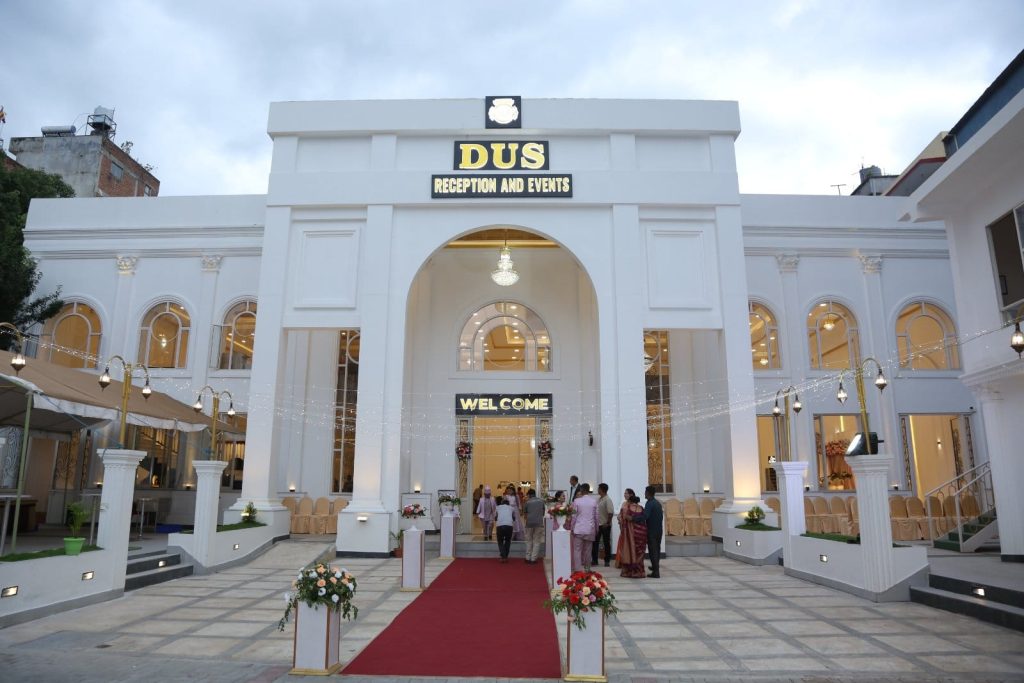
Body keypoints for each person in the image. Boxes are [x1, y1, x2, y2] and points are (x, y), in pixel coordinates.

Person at [615, 490, 646, 578]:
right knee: (639, 552)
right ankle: (639, 572)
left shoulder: (626, 508)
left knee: (629, 552)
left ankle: (629, 572)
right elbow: (644, 519)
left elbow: (621, 519)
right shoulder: (641, 508)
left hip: (630, 534)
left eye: (626, 493)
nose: (625, 495)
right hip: (641, 534)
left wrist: (623, 527)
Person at [636, 485, 664, 578]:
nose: (644, 494)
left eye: (645, 492)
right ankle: (655, 567)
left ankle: (656, 572)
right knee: (657, 550)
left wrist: (633, 518)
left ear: (648, 493)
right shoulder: (657, 503)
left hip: (652, 531)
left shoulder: (650, 503)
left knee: (653, 551)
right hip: (659, 530)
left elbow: (645, 516)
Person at [569, 482, 598, 572]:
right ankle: (587, 569)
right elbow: (596, 517)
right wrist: (596, 529)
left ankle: (578, 570)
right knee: (588, 550)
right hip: (590, 529)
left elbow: (574, 516)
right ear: (589, 490)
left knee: (577, 550)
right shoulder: (594, 501)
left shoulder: (577, 501)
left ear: (581, 490)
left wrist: (572, 527)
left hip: (578, 529)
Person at [592, 483, 615, 567]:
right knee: (595, 542)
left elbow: (610, 513)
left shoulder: (607, 499)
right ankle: (594, 560)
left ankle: (607, 560)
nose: (597, 490)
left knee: (606, 543)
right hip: (598, 524)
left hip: (605, 525)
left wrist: (608, 523)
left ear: (602, 489)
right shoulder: (599, 499)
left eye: (598, 488)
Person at [522, 488, 546, 564]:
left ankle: (527, 558)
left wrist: (527, 519)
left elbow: (524, 514)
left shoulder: (527, 502)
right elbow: (543, 513)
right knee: (536, 541)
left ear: (529, 495)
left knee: (529, 541)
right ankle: (533, 559)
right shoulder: (541, 501)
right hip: (539, 523)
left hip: (529, 523)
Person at [494, 495, 517, 563]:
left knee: (500, 541)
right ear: (508, 503)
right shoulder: (512, 508)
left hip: (500, 526)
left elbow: (495, 518)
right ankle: (505, 556)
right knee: (508, 541)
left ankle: (503, 556)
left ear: (502, 503)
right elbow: (514, 518)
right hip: (509, 526)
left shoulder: (498, 507)